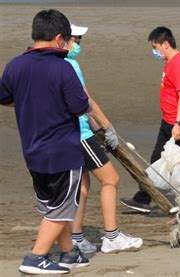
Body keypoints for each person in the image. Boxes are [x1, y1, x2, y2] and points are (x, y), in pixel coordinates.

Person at [0, 9, 90, 274]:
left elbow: (5, 97)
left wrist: (33, 103)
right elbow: (80, 106)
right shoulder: (63, 68)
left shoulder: (15, 64)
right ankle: (36, 257)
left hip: (33, 149)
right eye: (67, 39)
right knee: (62, 207)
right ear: (59, 37)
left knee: (53, 205)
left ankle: (68, 252)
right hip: (62, 150)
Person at [65, 24, 143, 253]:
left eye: (80, 40)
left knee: (83, 186)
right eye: (75, 39)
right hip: (80, 135)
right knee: (111, 179)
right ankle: (112, 236)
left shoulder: (56, 65)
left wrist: (98, 127)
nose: (78, 44)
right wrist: (108, 127)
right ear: (63, 39)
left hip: (72, 133)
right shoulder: (70, 65)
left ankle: (76, 238)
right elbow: (87, 101)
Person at [120, 26, 180, 213]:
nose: (154, 51)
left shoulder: (179, 64)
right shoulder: (171, 62)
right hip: (169, 121)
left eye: (155, 47)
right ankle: (143, 198)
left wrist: (178, 124)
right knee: (157, 158)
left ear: (165, 44)